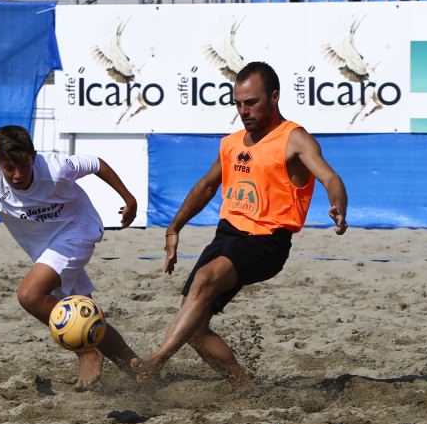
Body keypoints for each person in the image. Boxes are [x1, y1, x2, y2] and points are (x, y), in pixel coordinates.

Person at [131, 61, 348, 391]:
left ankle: (155, 362)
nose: (244, 111)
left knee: (203, 280)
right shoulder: (232, 143)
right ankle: (244, 386)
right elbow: (206, 186)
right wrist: (174, 227)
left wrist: (338, 204)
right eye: (238, 103)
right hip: (228, 236)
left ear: (274, 97)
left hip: (267, 241)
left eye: (251, 102)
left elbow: (330, 176)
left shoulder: (294, 138)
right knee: (194, 328)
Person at [0, 125, 138, 390]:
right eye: (8, 169)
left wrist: (130, 200)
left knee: (30, 295)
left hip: (78, 231)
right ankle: (137, 369)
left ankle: (86, 353)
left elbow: (97, 163)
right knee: (84, 312)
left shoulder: (55, 168)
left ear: (33, 157)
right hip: (45, 250)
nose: (17, 176)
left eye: (23, 167)